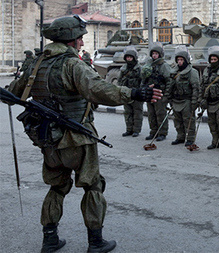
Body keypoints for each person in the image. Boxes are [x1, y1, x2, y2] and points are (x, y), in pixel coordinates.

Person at [7, 15, 161, 253]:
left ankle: (49, 240)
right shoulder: (72, 64)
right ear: (70, 39)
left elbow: (14, 93)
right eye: (79, 38)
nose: (81, 42)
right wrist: (134, 94)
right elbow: (98, 89)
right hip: (77, 138)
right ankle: (96, 242)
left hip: (48, 139)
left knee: (57, 187)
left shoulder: (35, 64)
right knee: (92, 186)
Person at [168, 46, 200, 146]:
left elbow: (196, 88)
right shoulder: (174, 72)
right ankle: (180, 137)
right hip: (176, 99)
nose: (180, 62)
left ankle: (190, 138)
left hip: (186, 100)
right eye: (178, 60)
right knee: (177, 120)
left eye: (182, 60)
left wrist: (194, 101)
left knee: (188, 120)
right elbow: (170, 86)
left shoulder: (192, 72)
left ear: (186, 60)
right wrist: (169, 98)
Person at [142, 42, 172, 141]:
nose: (154, 55)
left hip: (159, 93)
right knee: (151, 114)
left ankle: (162, 132)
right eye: (153, 54)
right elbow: (143, 78)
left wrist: (166, 95)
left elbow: (169, 81)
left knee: (160, 113)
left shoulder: (164, 66)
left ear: (160, 55)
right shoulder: (148, 65)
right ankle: (153, 132)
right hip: (150, 93)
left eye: (156, 54)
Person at [118, 46, 144, 137]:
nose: (129, 59)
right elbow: (119, 80)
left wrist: (141, 92)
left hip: (137, 93)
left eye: (130, 57)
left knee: (137, 113)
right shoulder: (123, 68)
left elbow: (143, 80)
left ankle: (136, 130)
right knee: (127, 112)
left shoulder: (139, 68)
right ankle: (129, 129)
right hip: (126, 93)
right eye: (127, 57)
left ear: (134, 58)